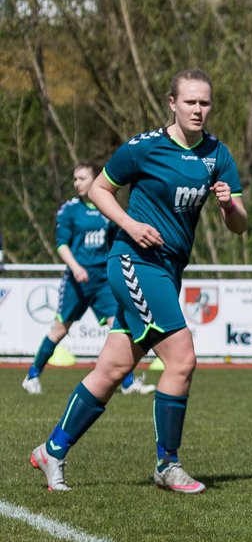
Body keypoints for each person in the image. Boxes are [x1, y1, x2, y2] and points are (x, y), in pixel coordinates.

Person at [28, 68, 246, 494]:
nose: (198, 110)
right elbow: (100, 190)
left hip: (168, 272)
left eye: (205, 103)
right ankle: (167, 464)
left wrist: (228, 208)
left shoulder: (218, 155)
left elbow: (239, 225)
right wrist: (130, 223)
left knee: (111, 370)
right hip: (133, 262)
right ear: (172, 103)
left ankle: (51, 450)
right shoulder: (143, 148)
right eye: (190, 102)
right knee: (181, 359)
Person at [22, 163, 155, 396]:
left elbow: (117, 239)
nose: (77, 183)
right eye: (75, 179)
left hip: (103, 280)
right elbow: (62, 244)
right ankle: (32, 376)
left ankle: (127, 382)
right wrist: (75, 267)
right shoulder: (70, 210)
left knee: (119, 327)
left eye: (82, 178)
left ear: (95, 180)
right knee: (60, 329)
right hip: (78, 280)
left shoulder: (107, 207)